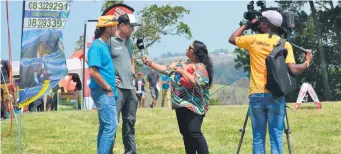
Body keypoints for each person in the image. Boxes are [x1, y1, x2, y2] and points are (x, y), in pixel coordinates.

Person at [228, 10, 313, 154]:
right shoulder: (284, 44)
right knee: (276, 137)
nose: (259, 23)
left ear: (266, 24)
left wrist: (248, 24)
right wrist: (307, 62)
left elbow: (232, 38)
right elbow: (293, 69)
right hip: (276, 95)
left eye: (261, 20)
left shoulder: (254, 40)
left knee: (258, 138)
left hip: (256, 95)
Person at [142, 40, 213, 154]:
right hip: (180, 103)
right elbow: (166, 69)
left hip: (196, 106)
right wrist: (150, 63)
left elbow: (196, 81)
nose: (186, 49)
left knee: (194, 131)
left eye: (190, 48)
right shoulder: (181, 62)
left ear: (196, 52)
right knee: (185, 133)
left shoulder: (200, 67)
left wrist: (182, 71)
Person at [109, 13, 141, 154]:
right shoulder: (108, 41)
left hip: (130, 88)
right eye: (131, 26)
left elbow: (131, 58)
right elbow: (92, 60)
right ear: (121, 26)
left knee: (130, 123)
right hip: (117, 90)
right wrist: (109, 77)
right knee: (112, 124)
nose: (133, 29)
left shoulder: (129, 41)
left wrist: (133, 75)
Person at [88, 15, 119, 154]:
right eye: (114, 26)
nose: (116, 28)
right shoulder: (97, 46)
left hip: (105, 91)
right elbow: (93, 71)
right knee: (111, 126)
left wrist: (112, 80)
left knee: (105, 127)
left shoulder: (103, 45)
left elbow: (102, 70)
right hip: (103, 92)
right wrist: (107, 87)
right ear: (108, 28)